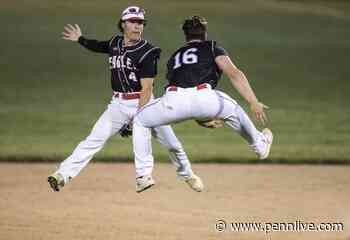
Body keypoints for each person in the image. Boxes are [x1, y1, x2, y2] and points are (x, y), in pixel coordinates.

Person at [48, 7, 203, 193]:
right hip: (118, 105)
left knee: (172, 144)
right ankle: (62, 175)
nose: (138, 26)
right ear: (123, 24)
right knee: (93, 140)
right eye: (133, 22)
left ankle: (187, 175)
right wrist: (80, 39)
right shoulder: (115, 43)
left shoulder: (148, 52)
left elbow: (146, 89)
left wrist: (137, 117)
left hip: (146, 103)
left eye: (141, 23)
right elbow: (99, 46)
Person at [132, 16, 274, 191]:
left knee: (140, 120)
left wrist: (200, 116)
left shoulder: (175, 57)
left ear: (185, 35)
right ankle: (260, 145)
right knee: (233, 109)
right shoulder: (213, 47)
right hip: (206, 98)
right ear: (205, 33)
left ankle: (143, 175)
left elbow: (187, 99)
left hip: (173, 100)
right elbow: (234, 74)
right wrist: (253, 101)